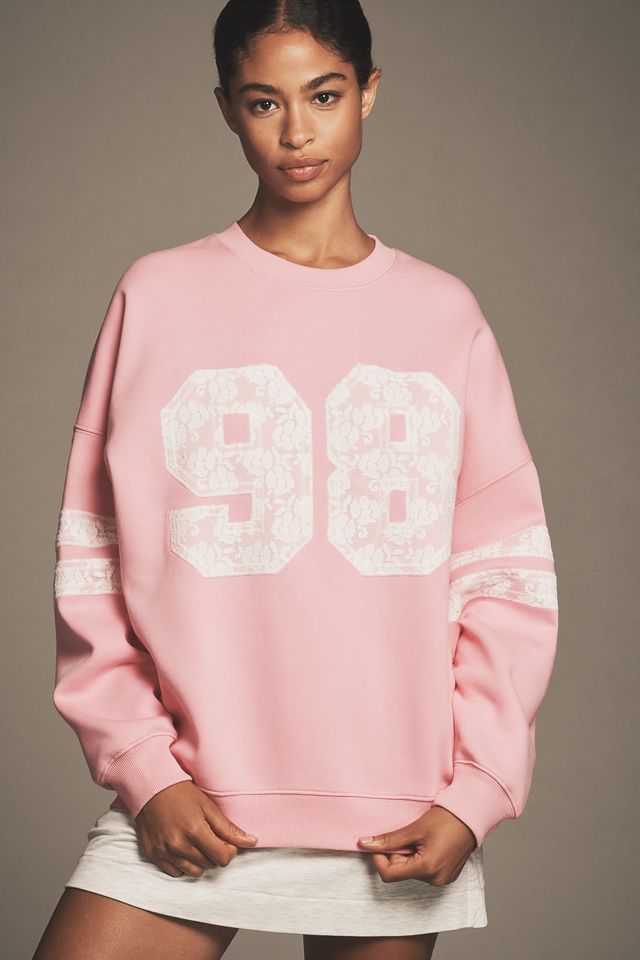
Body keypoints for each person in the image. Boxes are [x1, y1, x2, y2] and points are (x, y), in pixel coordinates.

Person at [33, 1, 559, 958]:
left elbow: (503, 576)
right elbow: (93, 559)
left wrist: (476, 792)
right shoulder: (157, 295)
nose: (297, 132)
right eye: (263, 102)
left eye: (324, 96)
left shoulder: (444, 316)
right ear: (226, 110)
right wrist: (146, 768)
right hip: (192, 795)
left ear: (369, 93)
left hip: (397, 816)